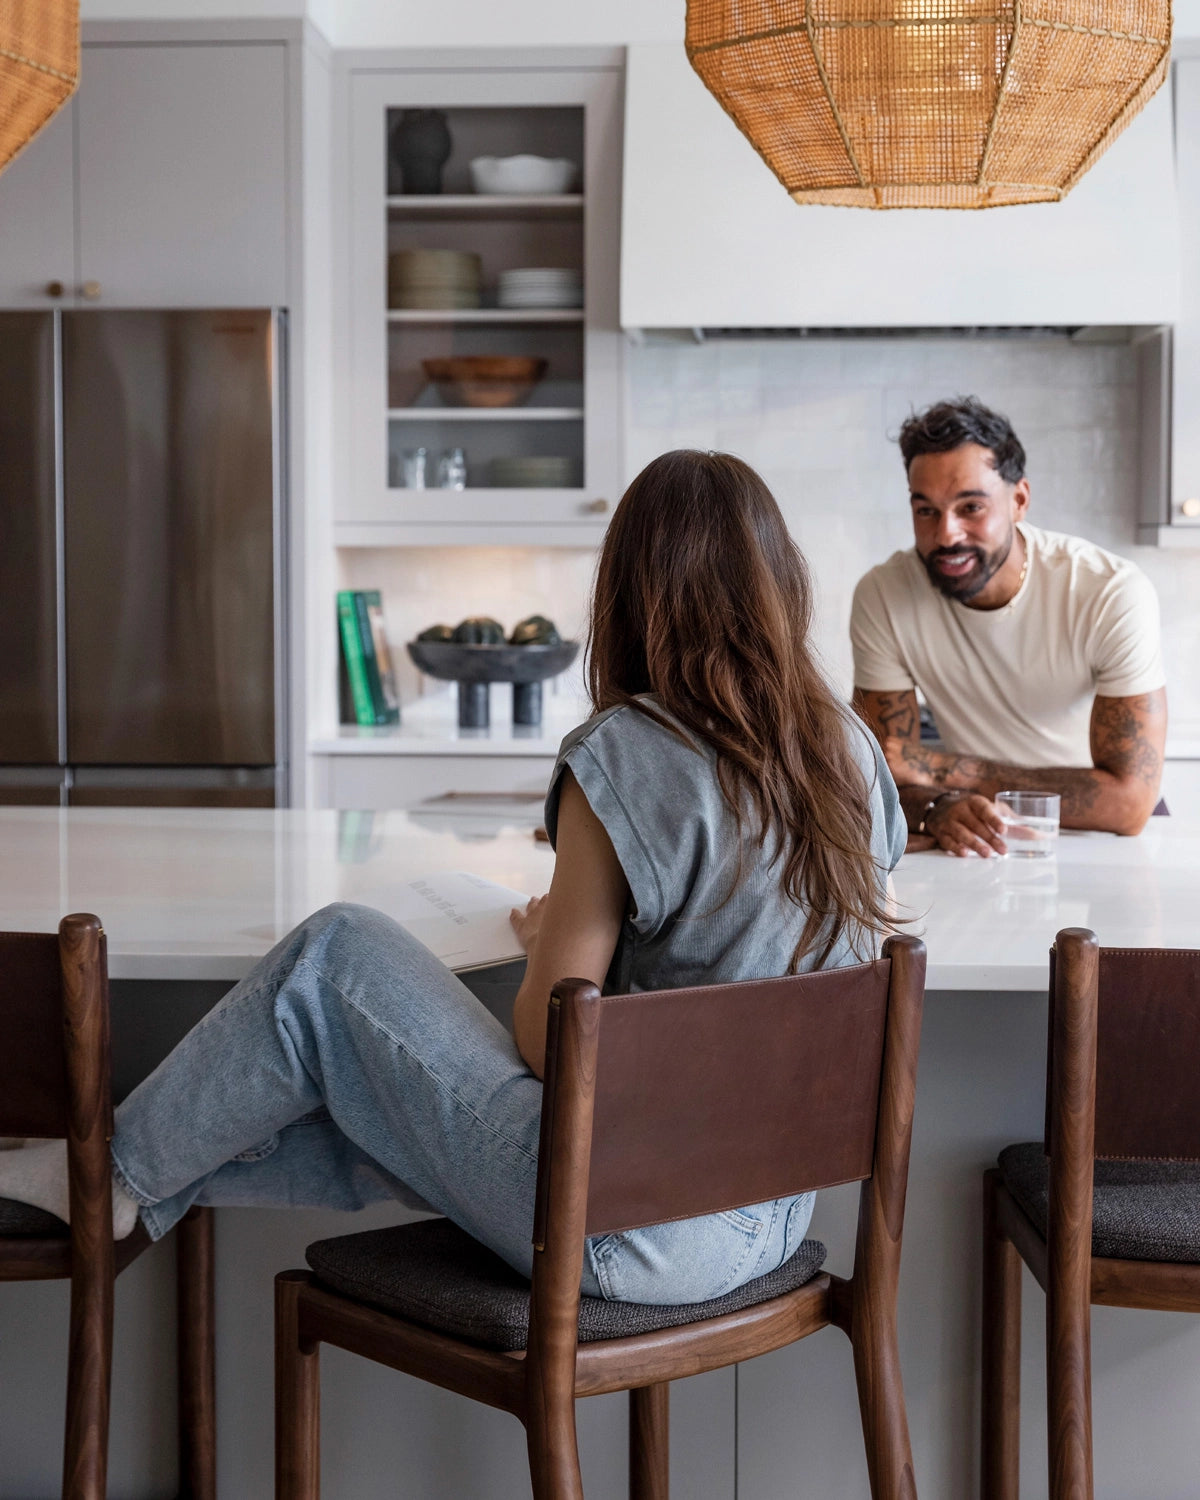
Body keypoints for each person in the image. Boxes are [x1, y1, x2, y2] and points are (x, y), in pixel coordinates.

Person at [0, 450, 905, 1307]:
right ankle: (131, 1174)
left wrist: (552, 946)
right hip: (778, 1217)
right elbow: (830, 943)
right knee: (370, 1088)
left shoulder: (627, 753)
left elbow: (552, 1046)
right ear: (780, 584)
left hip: (624, 1232)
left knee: (333, 956)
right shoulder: (851, 748)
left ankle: (105, 1176)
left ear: (630, 593)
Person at [850, 397, 1167, 858]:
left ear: (1019, 500)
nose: (947, 535)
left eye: (971, 507)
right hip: (978, 833)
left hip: (1100, 839)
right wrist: (939, 804)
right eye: (926, 511)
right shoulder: (884, 594)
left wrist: (946, 770)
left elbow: (1128, 804)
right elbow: (880, 773)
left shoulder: (1108, 591)